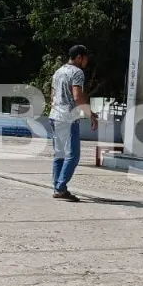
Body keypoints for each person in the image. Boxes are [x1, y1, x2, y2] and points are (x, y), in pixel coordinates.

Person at [49, 45, 97, 201]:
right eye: (86, 58)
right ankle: (61, 188)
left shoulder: (58, 71)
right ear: (79, 57)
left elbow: (52, 95)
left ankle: (57, 187)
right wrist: (91, 115)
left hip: (55, 116)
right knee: (73, 156)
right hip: (68, 118)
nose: (87, 61)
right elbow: (77, 97)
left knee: (59, 154)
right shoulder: (77, 72)